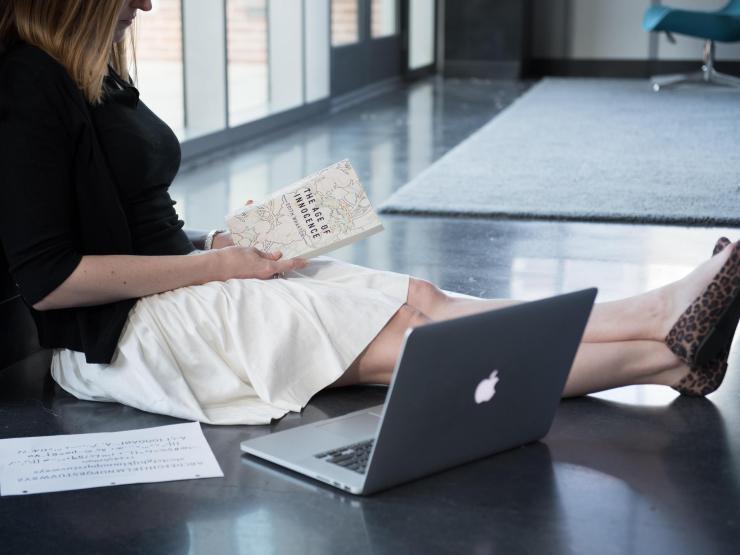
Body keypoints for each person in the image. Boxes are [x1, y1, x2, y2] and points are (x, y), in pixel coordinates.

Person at [0, 0, 738, 425]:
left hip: (187, 281)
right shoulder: (26, 86)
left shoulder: (92, 73)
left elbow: (127, 216)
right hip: (133, 336)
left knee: (422, 301)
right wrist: (218, 264)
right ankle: (662, 322)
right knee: (414, 343)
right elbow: (50, 278)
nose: (149, 5)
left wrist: (220, 242)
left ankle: (665, 352)